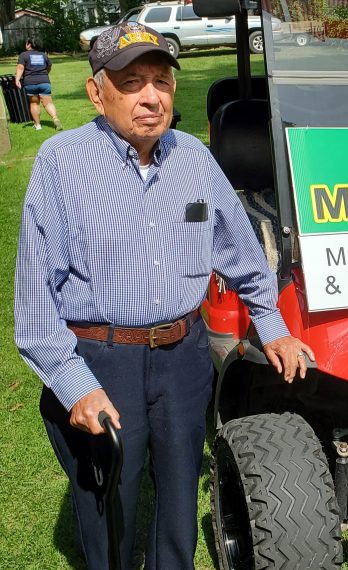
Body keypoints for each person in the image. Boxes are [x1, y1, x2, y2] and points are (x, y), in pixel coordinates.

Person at [14, 22, 314, 569]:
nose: (152, 97)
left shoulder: (193, 159)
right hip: (102, 359)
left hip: (184, 357)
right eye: (132, 83)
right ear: (96, 92)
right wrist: (76, 386)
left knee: (178, 499)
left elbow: (239, 249)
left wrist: (273, 326)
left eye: (161, 81)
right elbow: (36, 303)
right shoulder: (61, 163)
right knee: (109, 504)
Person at [14, 38, 62, 131]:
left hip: (30, 83)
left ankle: (38, 125)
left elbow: (20, 67)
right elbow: (49, 66)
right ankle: (55, 118)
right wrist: (45, 73)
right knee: (48, 103)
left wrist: (17, 79)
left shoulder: (23, 55)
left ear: (28, 44)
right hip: (44, 82)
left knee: (34, 103)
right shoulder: (43, 55)